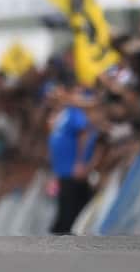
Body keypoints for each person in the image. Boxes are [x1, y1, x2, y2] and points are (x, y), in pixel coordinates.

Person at [47, 86, 97, 234]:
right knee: (68, 208)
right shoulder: (55, 117)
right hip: (62, 172)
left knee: (70, 212)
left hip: (73, 171)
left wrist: (80, 162)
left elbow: (83, 135)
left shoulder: (73, 114)